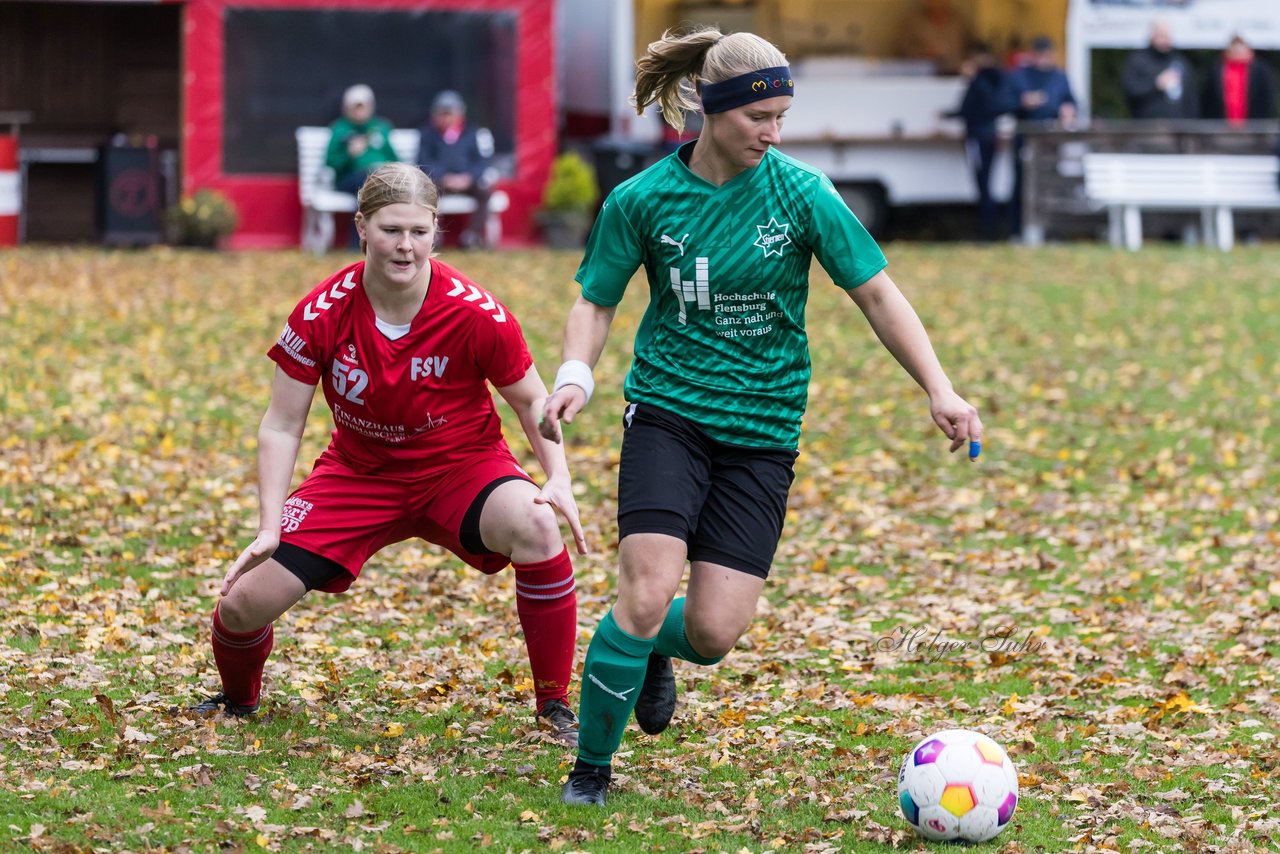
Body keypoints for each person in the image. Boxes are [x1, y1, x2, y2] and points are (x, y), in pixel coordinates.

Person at [539, 26, 984, 806]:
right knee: (644, 594)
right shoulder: (641, 200)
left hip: (763, 430)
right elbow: (596, 299)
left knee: (712, 632)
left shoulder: (803, 192)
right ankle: (591, 768)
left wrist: (939, 388)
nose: (774, 133)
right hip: (668, 411)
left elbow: (877, 293)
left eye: (782, 116)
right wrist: (576, 375)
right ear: (713, 111)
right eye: (759, 118)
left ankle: (645, 652)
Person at [190, 162, 586, 746]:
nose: (406, 246)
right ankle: (240, 700)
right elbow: (280, 425)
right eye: (390, 230)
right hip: (359, 475)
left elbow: (531, 402)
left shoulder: (476, 312)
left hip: (461, 468)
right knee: (243, 605)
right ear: (362, 227)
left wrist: (559, 478)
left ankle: (554, 705)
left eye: (419, 232)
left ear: (435, 231)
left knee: (535, 523)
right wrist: (269, 526)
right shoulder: (321, 313)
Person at [946, 42, 1018, 241]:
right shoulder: (998, 79)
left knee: (983, 182)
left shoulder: (980, 82)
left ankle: (987, 228)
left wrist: (947, 115)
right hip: (990, 135)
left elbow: (969, 108)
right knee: (987, 181)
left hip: (979, 137)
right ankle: (990, 226)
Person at [1008, 36, 1077, 237]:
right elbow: (1004, 102)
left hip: (1051, 140)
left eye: (1047, 55)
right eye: (1040, 55)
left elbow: (1071, 102)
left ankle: (1051, 230)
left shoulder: (1059, 77)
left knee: (1051, 184)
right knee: (1023, 184)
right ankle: (1018, 230)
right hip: (1026, 137)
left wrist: (1068, 111)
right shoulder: (1019, 76)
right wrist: (1023, 103)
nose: (1044, 59)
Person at [417, 90, 498, 249]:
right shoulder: (427, 134)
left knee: (485, 192)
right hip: (440, 182)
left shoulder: (471, 133)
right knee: (429, 193)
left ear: (460, 115)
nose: (446, 118)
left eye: (450, 113)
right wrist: (444, 177)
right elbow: (423, 161)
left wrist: (469, 177)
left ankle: (471, 236)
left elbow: (481, 161)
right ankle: (434, 235)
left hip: (466, 181)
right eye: (442, 113)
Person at [326, 84, 400, 195]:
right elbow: (331, 162)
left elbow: (394, 158)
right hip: (351, 179)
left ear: (371, 107)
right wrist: (349, 155)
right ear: (347, 108)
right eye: (356, 107)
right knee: (367, 180)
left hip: (382, 176)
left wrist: (386, 168)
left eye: (363, 106)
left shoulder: (381, 127)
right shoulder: (340, 129)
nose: (359, 111)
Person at [1120, 19, 1199, 120]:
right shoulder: (1138, 61)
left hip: (1178, 129)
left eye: (1167, 36)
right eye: (1161, 36)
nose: (1164, 40)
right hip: (1146, 128)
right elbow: (1130, 90)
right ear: (1152, 36)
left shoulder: (1180, 62)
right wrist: (1156, 85)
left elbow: (1191, 97)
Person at [1200, 35, 1276, 125]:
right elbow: (1207, 98)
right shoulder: (1216, 69)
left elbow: (1266, 98)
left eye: (1240, 47)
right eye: (1234, 47)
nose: (1237, 51)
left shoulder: (1260, 70)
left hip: (1254, 126)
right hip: (1221, 126)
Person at [895, 0, 974, 75]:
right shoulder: (913, 23)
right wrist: (924, 54)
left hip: (956, 75)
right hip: (926, 78)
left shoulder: (958, 21)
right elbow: (905, 50)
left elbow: (971, 48)